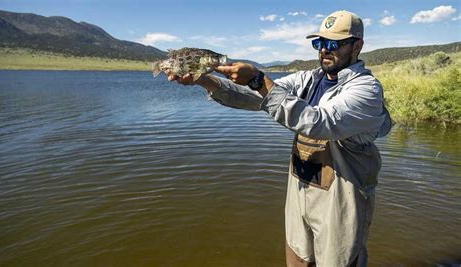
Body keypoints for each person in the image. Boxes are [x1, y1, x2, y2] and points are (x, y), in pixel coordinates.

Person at [168, 10, 392, 267]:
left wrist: (258, 79)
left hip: (341, 202)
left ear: (357, 46)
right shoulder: (308, 79)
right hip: (301, 190)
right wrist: (204, 80)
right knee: (296, 259)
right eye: (319, 43)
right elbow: (254, 97)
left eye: (333, 44)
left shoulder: (366, 90)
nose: (324, 51)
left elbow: (318, 122)